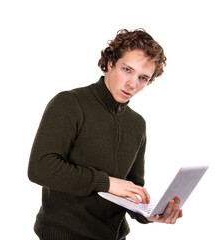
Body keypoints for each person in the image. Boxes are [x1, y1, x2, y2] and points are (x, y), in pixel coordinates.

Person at [28, 29, 183, 240]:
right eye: (127, 70)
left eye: (143, 78)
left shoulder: (137, 124)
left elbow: (131, 187)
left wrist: (151, 214)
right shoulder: (70, 103)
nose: (132, 84)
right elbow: (41, 168)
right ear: (110, 63)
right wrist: (107, 182)